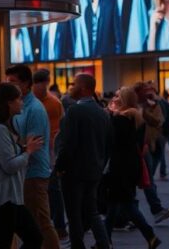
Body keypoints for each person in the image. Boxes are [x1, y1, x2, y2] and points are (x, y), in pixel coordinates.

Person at [0, 82, 44, 249]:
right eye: (19, 99)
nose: (22, 102)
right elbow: (10, 165)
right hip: (4, 199)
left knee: (4, 243)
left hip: (2, 199)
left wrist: (25, 150)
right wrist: (29, 152)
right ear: (8, 103)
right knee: (33, 238)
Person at [54, 74, 112, 249]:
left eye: (75, 84)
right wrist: (101, 164)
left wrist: (60, 167)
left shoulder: (74, 111)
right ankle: (103, 243)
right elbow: (109, 144)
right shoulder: (102, 112)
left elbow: (68, 143)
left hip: (74, 172)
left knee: (74, 214)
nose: (72, 87)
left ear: (85, 88)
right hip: (94, 170)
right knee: (91, 211)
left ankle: (78, 246)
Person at [5, 65, 58, 249]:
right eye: (7, 81)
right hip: (25, 172)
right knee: (32, 223)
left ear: (26, 83)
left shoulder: (33, 109)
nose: (8, 85)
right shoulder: (20, 106)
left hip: (34, 174)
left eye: (13, 82)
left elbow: (33, 145)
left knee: (41, 222)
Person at [103, 88, 161, 249]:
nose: (113, 99)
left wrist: (110, 114)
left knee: (124, 205)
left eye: (116, 96)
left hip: (119, 168)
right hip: (131, 166)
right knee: (115, 206)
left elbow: (113, 143)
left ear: (123, 100)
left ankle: (150, 235)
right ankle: (104, 241)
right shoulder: (137, 117)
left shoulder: (120, 119)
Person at [133, 82, 169, 223]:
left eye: (150, 90)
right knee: (148, 180)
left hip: (156, 143)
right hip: (144, 146)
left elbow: (159, 121)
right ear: (138, 92)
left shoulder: (154, 104)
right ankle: (156, 209)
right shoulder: (136, 107)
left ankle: (133, 212)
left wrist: (151, 108)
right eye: (145, 90)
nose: (148, 92)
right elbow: (142, 123)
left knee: (148, 177)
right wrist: (146, 111)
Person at [32, 69, 67, 240]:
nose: (41, 88)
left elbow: (62, 126)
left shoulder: (53, 103)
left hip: (49, 152)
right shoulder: (38, 102)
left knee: (52, 189)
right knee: (51, 190)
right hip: (41, 150)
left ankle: (58, 226)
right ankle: (56, 226)